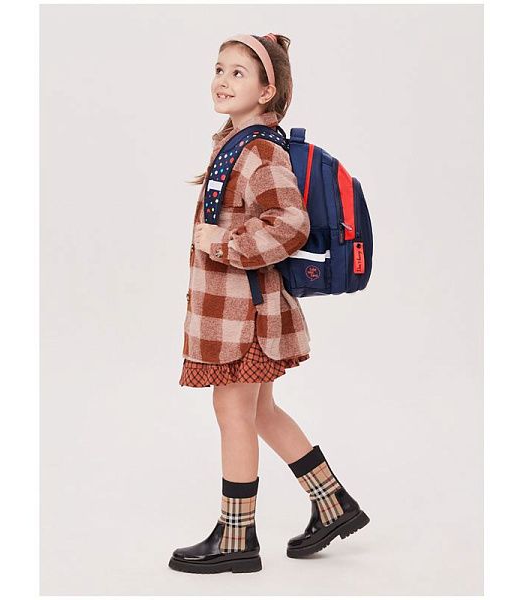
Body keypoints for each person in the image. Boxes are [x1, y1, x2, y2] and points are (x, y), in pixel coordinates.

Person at [169, 32, 370, 575]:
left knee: (233, 410)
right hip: (241, 310)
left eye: (238, 73)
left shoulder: (258, 151)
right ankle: (333, 503)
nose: (222, 80)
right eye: (219, 68)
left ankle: (237, 539)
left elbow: (289, 222)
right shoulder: (236, 144)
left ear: (267, 91)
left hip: (245, 315)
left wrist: (224, 244)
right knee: (259, 411)